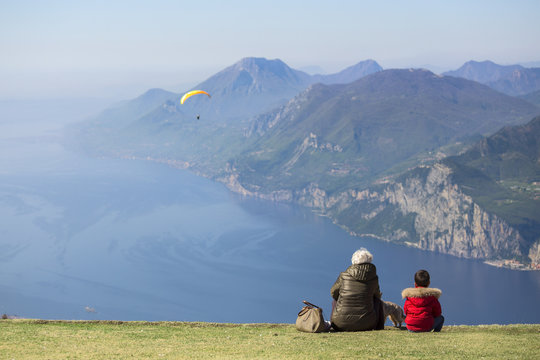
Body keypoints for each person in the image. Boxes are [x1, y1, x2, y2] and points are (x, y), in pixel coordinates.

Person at [330, 248, 384, 331]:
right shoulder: (374, 278)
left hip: (340, 324)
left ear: (353, 261)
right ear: (369, 261)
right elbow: (377, 295)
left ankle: (334, 322)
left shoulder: (344, 276)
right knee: (377, 300)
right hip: (367, 324)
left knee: (336, 298)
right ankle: (379, 327)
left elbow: (333, 293)